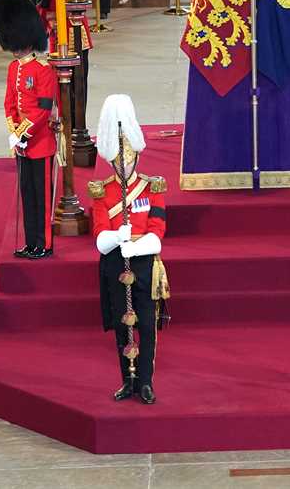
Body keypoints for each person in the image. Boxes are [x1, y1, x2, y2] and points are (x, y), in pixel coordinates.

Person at [87, 94, 170, 404]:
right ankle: (127, 380)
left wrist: (132, 245)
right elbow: (98, 236)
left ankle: (145, 381)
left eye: (130, 157)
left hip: (144, 265)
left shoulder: (151, 188)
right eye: (119, 159)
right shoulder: (102, 192)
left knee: (146, 325)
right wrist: (115, 237)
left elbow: (158, 232)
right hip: (114, 265)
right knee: (123, 327)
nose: (125, 164)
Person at [0, 0, 58, 259]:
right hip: (22, 144)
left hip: (40, 143)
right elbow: (10, 103)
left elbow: (43, 110)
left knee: (41, 199)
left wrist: (23, 134)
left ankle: (43, 243)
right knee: (27, 197)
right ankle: (31, 242)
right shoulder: (13, 68)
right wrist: (13, 133)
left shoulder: (43, 70)